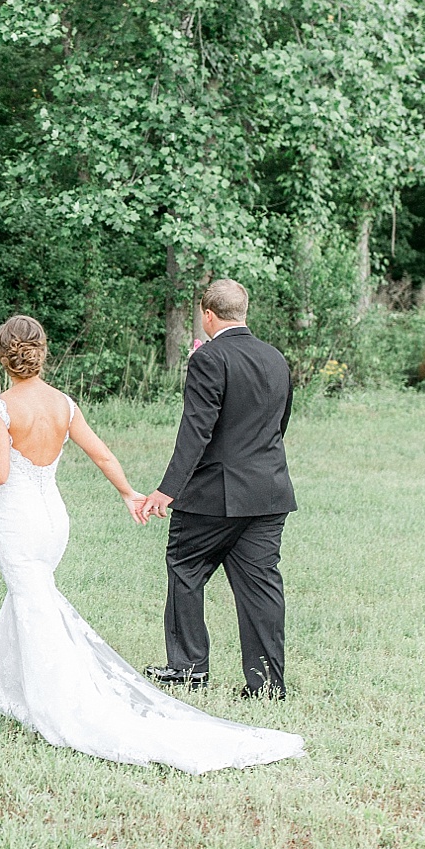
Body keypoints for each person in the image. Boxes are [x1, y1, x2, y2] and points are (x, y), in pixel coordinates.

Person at [0, 314, 303, 774]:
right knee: (31, 599)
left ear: (2, 356)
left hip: (19, 520)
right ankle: (6, 688)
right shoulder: (64, 404)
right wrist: (128, 493)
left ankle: (57, 702)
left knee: (34, 601)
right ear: (41, 352)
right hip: (54, 521)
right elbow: (103, 454)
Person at [140, 278, 297, 699]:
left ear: (207, 315)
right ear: (244, 311)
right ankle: (267, 685)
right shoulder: (275, 357)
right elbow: (280, 423)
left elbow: (197, 430)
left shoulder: (209, 358)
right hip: (269, 490)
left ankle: (188, 668)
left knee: (186, 567)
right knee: (261, 586)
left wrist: (167, 490)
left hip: (215, 495)